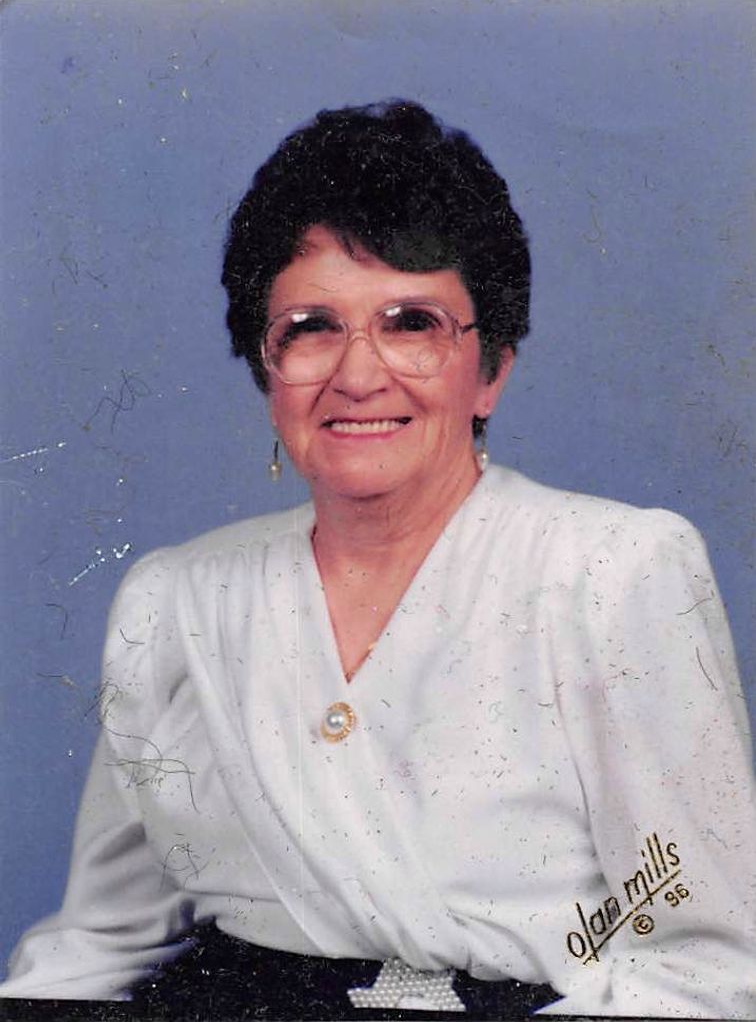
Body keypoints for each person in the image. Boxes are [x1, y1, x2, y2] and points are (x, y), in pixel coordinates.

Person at [1, 100, 754, 1019]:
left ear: (492, 368)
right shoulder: (174, 599)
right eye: (311, 327)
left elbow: (710, 962)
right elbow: (102, 943)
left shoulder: (612, 571)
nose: (358, 376)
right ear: (266, 370)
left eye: (411, 323)